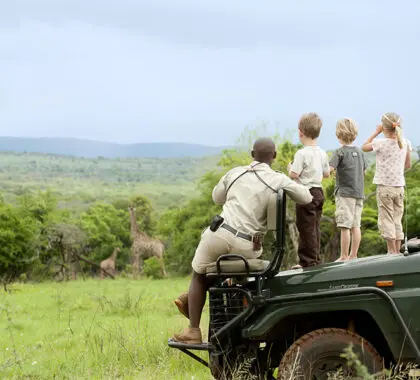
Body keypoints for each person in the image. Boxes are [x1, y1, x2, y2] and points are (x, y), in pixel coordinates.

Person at [172, 137, 313, 344]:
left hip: (220, 233)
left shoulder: (236, 173)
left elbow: (216, 198)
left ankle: (193, 329)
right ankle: (194, 299)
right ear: (273, 157)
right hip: (250, 245)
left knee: (199, 272)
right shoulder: (277, 178)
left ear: (252, 155)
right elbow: (307, 198)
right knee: (214, 267)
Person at [362, 112, 412, 254]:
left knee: (387, 219)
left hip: (385, 187)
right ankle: (397, 250)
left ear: (384, 128)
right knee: (397, 218)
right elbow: (407, 165)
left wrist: (376, 133)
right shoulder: (406, 143)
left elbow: (364, 147)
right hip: (399, 187)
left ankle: (391, 251)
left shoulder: (380, 143)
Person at [288, 113, 330, 268]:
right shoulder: (322, 153)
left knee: (305, 228)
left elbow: (294, 174)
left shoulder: (301, 153)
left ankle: (308, 262)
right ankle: (315, 258)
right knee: (315, 227)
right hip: (319, 192)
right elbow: (326, 174)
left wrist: (289, 168)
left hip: (305, 193)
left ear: (300, 133)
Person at [329, 118, 367, 261]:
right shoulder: (360, 151)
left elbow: (330, 169)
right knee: (355, 225)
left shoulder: (339, 152)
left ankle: (344, 256)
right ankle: (354, 255)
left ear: (338, 135)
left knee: (345, 226)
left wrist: (332, 172)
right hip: (359, 193)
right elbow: (363, 171)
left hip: (345, 194)